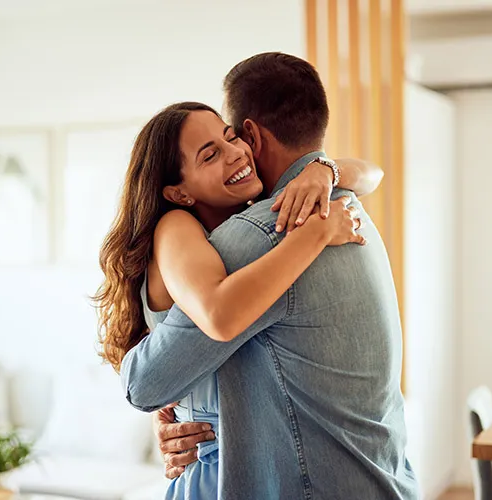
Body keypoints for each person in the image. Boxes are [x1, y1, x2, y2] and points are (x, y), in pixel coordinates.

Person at [119, 52, 420, 499]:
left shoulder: (265, 232)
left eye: (230, 137)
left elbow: (144, 382)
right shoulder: (345, 208)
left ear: (251, 136)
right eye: (210, 153)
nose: (234, 153)